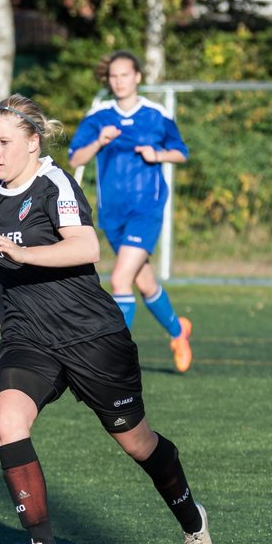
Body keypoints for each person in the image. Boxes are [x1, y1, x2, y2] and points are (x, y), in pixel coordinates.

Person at [0, 94, 213, 544]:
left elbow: (85, 247)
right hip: (29, 336)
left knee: (137, 443)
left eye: (3, 142)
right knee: (8, 421)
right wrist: (1, 305)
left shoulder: (53, 183)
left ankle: (193, 525)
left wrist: (23, 254)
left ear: (32, 142)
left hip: (90, 334)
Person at [68, 50, 195, 373]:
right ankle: (179, 332)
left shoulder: (155, 114)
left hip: (146, 209)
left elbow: (181, 152)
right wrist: (99, 141)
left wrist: (158, 155)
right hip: (112, 214)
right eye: (113, 76)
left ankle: (114, 354)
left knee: (120, 278)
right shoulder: (98, 116)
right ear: (108, 80)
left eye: (125, 75)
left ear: (137, 76)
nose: (119, 81)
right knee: (145, 283)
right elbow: (75, 159)